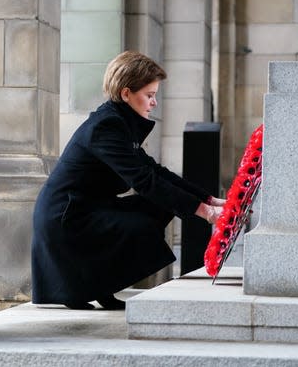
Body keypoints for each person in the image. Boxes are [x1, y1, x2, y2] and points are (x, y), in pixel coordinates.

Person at [31, 51, 224, 310]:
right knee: (143, 218)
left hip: (89, 209)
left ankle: (101, 287)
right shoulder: (106, 126)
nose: (154, 102)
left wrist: (209, 200)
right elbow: (144, 181)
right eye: (149, 95)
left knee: (157, 206)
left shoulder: (119, 122)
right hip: (68, 218)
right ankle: (83, 289)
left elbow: (155, 171)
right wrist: (206, 213)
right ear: (126, 94)